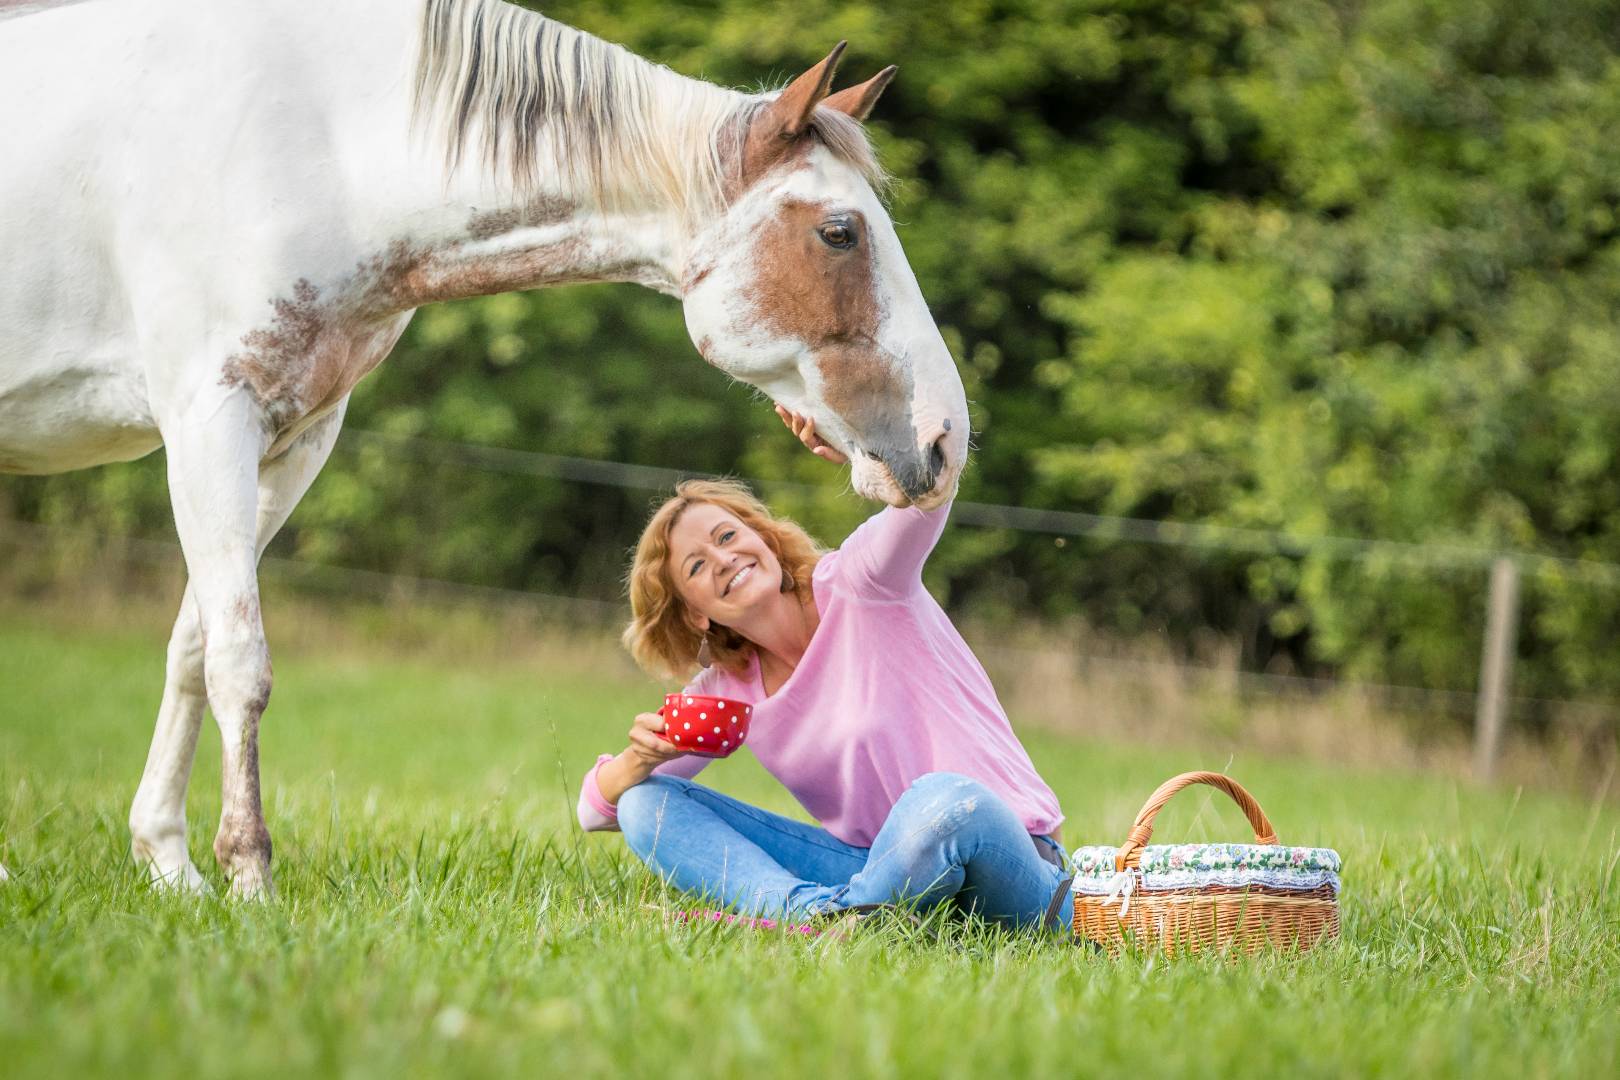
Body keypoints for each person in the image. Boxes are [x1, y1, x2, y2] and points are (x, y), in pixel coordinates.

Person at [575, 407, 1072, 930]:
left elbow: (930, 490)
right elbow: (597, 812)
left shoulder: (864, 584)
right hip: (877, 869)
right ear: (695, 611)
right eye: (696, 566)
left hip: (1005, 855)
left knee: (941, 797)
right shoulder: (729, 692)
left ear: (763, 540)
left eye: (726, 537)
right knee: (643, 804)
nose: (721, 559)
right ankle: (815, 915)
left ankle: (845, 913)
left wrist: (865, 452)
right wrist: (638, 760)